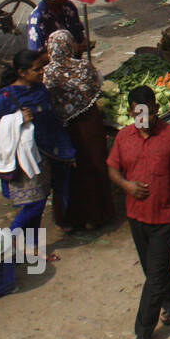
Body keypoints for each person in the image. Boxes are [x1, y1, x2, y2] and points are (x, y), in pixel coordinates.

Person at [107, 85, 170, 339]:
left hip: (166, 216)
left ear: (156, 110)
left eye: (147, 112)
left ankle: (144, 332)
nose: (143, 119)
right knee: (152, 270)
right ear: (131, 112)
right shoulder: (123, 138)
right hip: (136, 215)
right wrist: (126, 185)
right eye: (137, 114)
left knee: (155, 274)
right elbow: (112, 168)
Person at [0, 49, 75, 263]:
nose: (42, 72)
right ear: (22, 72)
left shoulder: (40, 89)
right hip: (23, 159)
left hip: (44, 154)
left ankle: (35, 248)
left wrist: (66, 149)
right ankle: (10, 236)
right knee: (34, 203)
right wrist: (16, 120)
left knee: (40, 203)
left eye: (42, 68)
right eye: (37, 69)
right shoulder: (6, 96)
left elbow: (51, 119)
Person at [43, 30, 112, 232]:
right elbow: (98, 85)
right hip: (89, 124)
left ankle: (70, 219)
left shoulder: (47, 73)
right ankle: (96, 217)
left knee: (69, 174)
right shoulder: (84, 66)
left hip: (63, 129)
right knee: (93, 167)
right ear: (70, 46)